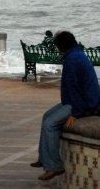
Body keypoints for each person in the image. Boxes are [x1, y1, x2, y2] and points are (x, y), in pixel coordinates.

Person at [31, 30, 100, 182]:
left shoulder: (72, 59)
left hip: (83, 104)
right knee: (47, 116)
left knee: (50, 124)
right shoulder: (75, 54)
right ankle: (44, 158)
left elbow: (74, 88)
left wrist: (75, 113)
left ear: (61, 46)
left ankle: (54, 166)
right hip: (76, 101)